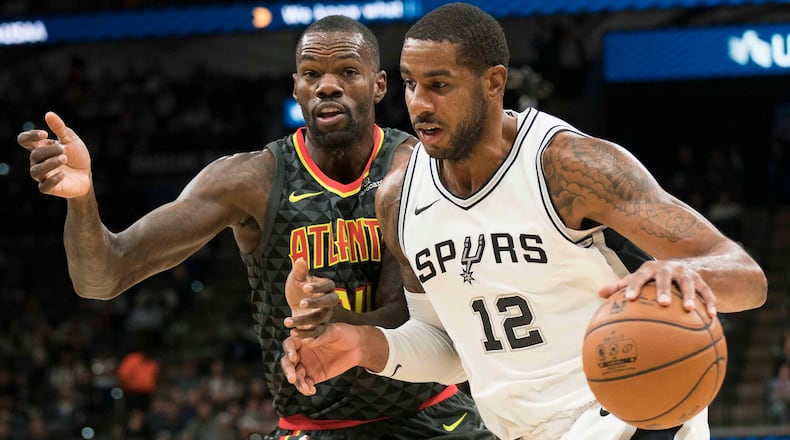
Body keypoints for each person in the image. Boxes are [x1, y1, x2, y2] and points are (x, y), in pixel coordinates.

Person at [280, 3, 768, 439]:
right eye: (410, 83)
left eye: (439, 85)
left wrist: (687, 274)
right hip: (516, 429)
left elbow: (748, 279)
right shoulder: (398, 198)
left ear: (493, 82)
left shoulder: (571, 167)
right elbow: (448, 347)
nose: (419, 104)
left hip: (628, 411)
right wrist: (362, 345)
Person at [17, 15, 492, 440]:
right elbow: (102, 278)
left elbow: (411, 318)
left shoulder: (413, 168)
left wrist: (333, 322)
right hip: (312, 424)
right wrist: (82, 200)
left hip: (429, 417)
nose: (327, 86)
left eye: (347, 72)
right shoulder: (249, 179)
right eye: (312, 74)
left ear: (379, 84)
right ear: (296, 87)